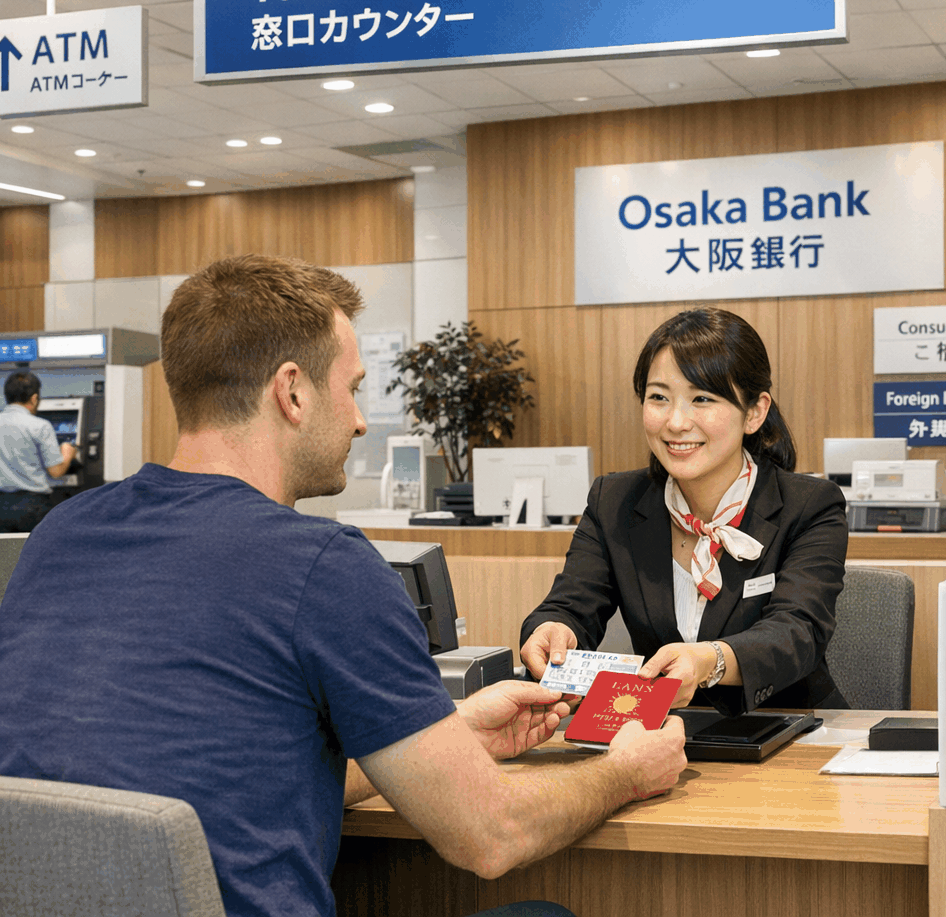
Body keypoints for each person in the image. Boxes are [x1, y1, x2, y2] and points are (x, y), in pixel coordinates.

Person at [0, 254, 687, 917]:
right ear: (292, 392)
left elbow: (228, 776)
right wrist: (627, 771)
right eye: (353, 388)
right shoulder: (323, 565)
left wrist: (456, 741)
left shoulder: (61, 535)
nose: (360, 419)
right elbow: (492, 836)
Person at [520, 307, 849, 716]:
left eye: (702, 399)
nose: (676, 422)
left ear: (754, 412)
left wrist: (709, 661)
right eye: (659, 397)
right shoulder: (614, 501)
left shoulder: (809, 506)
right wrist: (552, 631)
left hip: (790, 732)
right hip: (664, 736)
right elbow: (571, 604)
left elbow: (798, 631)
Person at [0, 370, 77, 533]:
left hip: (2, 504)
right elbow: (56, 471)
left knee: (5, 554)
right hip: (33, 507)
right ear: (34, 398)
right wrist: (67, 453)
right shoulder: (40, 426)